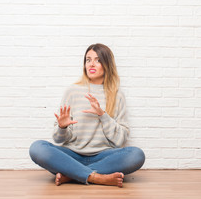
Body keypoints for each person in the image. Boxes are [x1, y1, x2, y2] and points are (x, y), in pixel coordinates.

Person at [29, 43, 145, 187]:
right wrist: (62, 127)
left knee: (136, 155)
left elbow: (120, 140)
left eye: (97, 60)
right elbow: (58, 140)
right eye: (88, 59)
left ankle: (72, 175)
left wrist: (102, 115)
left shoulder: (117, 95)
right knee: (37, 148)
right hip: (72, 156)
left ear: (107, 64)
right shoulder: (72, 91)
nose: (91, 64)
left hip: (104, 156)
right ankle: (97, 178)